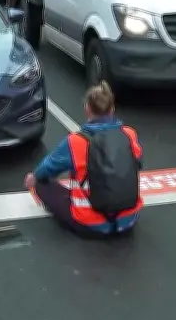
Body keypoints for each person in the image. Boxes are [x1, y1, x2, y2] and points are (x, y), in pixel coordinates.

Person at [25, 82, 143, 236]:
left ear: (88, 109)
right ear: (112, 109)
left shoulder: (76, 141)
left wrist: (34, 177)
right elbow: (138, 163)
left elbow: (48, 168)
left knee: (41, 183)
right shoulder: (129, 134)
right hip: (128, 220)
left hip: (90, 224)